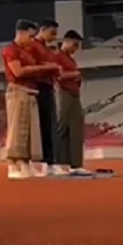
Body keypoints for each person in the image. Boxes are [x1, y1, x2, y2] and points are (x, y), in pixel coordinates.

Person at [1, 19, 59, 180]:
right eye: (30, 36)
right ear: (21, 33)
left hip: (31, 91)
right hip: (18, 90)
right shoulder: (10, 49)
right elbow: (18, 72)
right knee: (16, 129)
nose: (32, 40)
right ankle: (12, 164)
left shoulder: (26, 51)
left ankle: (24, 162)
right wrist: (44, 68)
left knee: (28, 131)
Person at [53, 30, 89, 176]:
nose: (76, 48)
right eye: (74, 44)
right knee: (62, 127)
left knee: (76, 129)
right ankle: (59, 163)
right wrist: (75, 74)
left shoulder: (71, 60)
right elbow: (59, 76)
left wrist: (77, 78)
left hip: (74, 94)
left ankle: (76, 164)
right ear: (66, 41)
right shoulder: (57, 56)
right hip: (63, 92)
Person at [30, 19, 62, 176]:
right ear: (42, 29)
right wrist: (49, 67)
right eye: (52, 33)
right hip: (38, 86)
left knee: (49, 125)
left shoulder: (47, 49)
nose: (54, 37)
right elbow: (31, 67)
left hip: (48, 86)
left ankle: (50, 161)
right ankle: (43, 162)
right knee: (42, 125)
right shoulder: (32, 46)